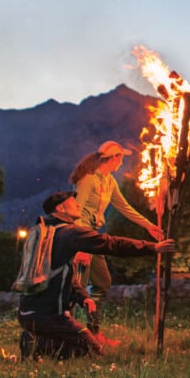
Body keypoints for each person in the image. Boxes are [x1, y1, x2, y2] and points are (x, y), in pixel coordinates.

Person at [17, 190, 175, 360]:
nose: (78, 205)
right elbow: (110, 244)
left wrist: (83, 297)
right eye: (73, 202)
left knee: (74, 344)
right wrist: (153, 247)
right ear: (61, 208)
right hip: (50, 316)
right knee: (93, 351)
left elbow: (59, 272)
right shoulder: (70, 233)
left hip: (26, 312)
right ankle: (34, 343)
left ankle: (37, 339)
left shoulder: (43, 232)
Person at [69, 140, 164, 327]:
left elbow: (124, 207)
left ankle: (93, 330)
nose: (122, 161)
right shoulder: (88, 179)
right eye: (120, 157)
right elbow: (75, 212)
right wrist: (80, 247)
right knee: (76, 287)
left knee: (102, 282)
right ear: (113, 158)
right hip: (79, 236)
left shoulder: (109, 181)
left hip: (93, 236)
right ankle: (68, 333)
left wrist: (148, 226)